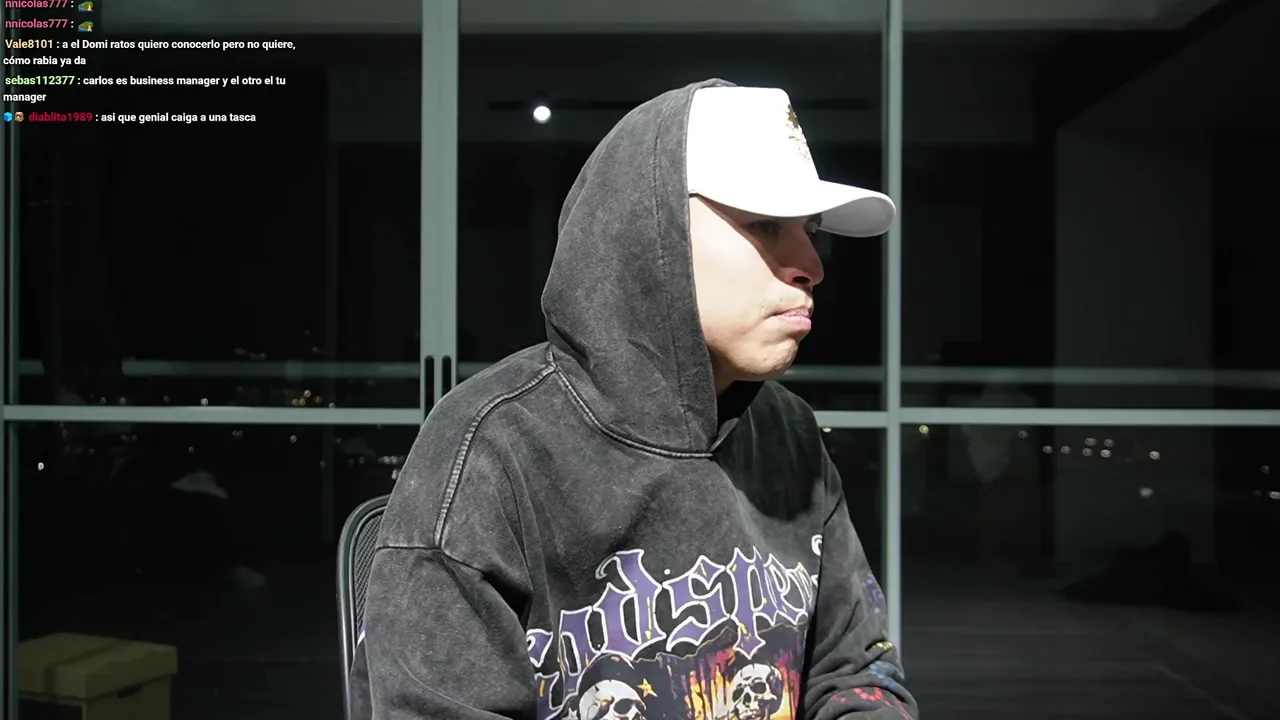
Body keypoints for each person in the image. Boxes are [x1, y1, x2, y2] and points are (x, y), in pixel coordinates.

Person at [349, 78, 918, 720]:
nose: (812, 264)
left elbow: (857, 672)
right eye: (766, 225)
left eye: (811, 230)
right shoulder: (490, 448)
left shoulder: (790, 433)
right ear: (653, 235)